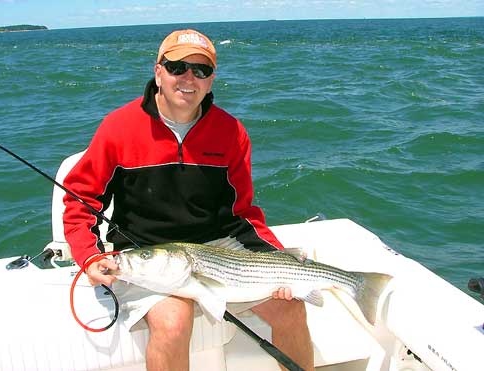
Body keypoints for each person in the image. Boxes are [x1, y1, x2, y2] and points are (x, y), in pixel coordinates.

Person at [63, 29, 314, 370]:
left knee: (291, 309)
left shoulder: (231, 132)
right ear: (158, 72)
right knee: (173, 322)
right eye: (177, 67)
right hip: (148, 253)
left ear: (212, 80)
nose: (188, 78)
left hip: (219, 251)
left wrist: (275, 262)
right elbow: (79, 201)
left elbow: (244, 213)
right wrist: (90, 257)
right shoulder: (119, 128)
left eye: (201, 70)